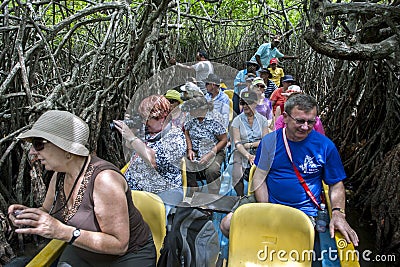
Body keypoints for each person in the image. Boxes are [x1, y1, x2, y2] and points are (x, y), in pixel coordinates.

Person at [9, 110, 156, 266]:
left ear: (66, 149)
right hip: (84, 252)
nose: (32, 152)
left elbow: (119, 245)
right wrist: (28, 217)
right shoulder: (59, 175)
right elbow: (47, 211)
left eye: (38, 144)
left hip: (126, 258)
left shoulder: (105, 181)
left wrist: (62, 231)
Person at [220, 94, 359, 249]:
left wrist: (338, 213)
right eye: (300, 121)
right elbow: (259, 177)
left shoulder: (325, 146)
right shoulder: (270, 141)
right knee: (227, 225)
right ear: (285, 117)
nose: (305, 127)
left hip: (303, 211)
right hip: (268, 202)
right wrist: (266, 210)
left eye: (311, 122)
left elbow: (336, 184)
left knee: (289, 245)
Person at [113, 95, 186, 208]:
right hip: (134, 187)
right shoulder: (149, 130)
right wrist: (131, 130)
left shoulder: (175, 137)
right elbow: (129, 145)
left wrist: (132, 137)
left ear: (162, 118)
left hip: (161, 190)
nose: (144, 123)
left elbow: (153, 160)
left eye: (147, 119)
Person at [182, 96, 228, 196]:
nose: (190, 112)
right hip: (195, 149)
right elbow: (187, 132)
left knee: (212, 171)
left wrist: (210, 154)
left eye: (192, 110)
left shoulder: (215, 118)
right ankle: (193, 188)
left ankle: (213, 196)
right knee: (184, 163)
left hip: (214, 150)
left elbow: (224, 140)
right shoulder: (190, 117)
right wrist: (190, 149)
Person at [230, 91, 269, 196]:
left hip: (259, 149)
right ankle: (240, 196)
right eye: (243, 103)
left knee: (264, 168)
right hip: (241, 151)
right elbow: (237, 142)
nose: (245, 106)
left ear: (255, 103)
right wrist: (248, 155)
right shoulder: (236, 121)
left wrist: (250, 145)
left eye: (249, 103)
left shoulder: (263, 120)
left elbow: (265, 141)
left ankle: (259, 195)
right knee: (236, 172)